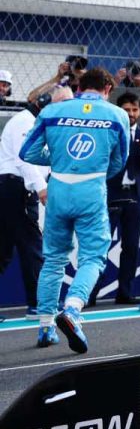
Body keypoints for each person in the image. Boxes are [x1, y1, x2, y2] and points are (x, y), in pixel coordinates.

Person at [21, 68, 128, 352]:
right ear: (108, 89)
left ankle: (46, 326)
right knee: (93, 256)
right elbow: (119, 161)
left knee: (53, 259)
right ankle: (72, 309)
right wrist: (95, 172)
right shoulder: (117, 115)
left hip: (58, 188)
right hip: (91, 190)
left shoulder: (52, 111)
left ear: (79, 87)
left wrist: (58, 159)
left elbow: (28, 152)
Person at [93, 90, 140, 305]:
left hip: (137, 196)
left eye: (134, 109)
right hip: (112, 194)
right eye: (126, 109)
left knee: (131, 246)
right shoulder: (109, 131)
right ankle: (91, 293)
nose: (130, 113)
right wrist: (135, 145)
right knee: (102, 245)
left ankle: (125, 293)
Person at [0, 95, 47, 315]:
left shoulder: (34, 122)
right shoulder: (25, 122)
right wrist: (41, 188)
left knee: (4, 249)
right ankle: (38, 304)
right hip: (16, 188)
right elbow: (24, 158)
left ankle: (38, 303)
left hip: (13, 187)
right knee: (31, 245)